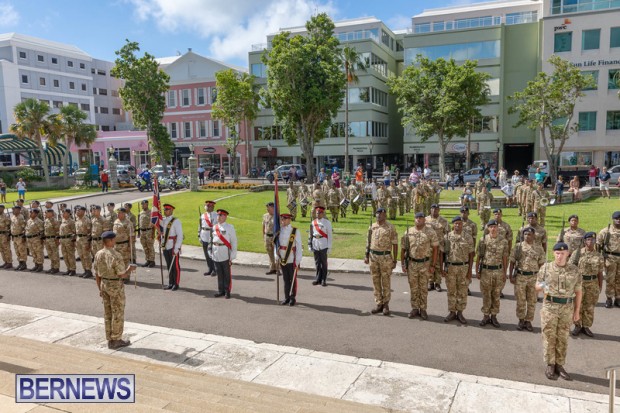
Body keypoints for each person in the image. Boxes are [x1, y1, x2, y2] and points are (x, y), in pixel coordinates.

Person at [536, 242, 582, 381]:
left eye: (563, 253)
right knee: (549, 337)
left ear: (568, 254)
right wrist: (546, 283)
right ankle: (550, 364)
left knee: (563, 338)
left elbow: (578, 292)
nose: (560, 256)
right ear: (553, 253)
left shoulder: (574, 270)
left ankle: (560, 365)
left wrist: (577, 312)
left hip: (566, 308)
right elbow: (537, 286)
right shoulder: (546, 268)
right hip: (550, 307)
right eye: (557, 253)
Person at [93, 231, 133, 350]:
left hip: (104, 284)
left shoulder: (98, 254)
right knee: (117, 313)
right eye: (114, 240)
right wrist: (130, 270)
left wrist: (99, 288)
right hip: (115, 286)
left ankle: (110, 338)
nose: (115, 242)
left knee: (108, 313)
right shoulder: (116, 255)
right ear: (110, 241)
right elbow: (122, 274)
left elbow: (97, 274)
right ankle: (116, 339)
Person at [402, 212, 439, 320]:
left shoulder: (430, 232)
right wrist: (403, 263)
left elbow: (436, 248)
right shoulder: (408, 232)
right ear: (414, 219)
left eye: (421, 218)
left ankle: (423, 309)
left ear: (424, 220)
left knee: (423, 288)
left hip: (425, 264)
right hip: (412, 264)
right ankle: (414, 308)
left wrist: (433, 265)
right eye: (417, 218)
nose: (419, 219)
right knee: (413, 288)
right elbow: (403, 249)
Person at [509, 227, 545, 332]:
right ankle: (521, 320)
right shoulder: (518, 247)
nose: (527, 236)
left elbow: (542, 264)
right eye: (525, 234)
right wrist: (511, 275)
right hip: (520, 276)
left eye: (529, 234)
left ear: (534, 236)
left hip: (534, 277)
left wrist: (542, 280)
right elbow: (512, 261)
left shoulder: (539, 248)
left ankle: (528, 321)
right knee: (520, 300)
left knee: (532, 300)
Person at [365, 208, 398, 316]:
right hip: (373, 257)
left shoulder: (390, 227)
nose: (378, 215)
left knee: (386, 281)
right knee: (375, 280)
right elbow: (368, 241)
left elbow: (395, 244)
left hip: (385, 257)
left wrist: (395, 260)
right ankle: (378, 303)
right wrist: (366, 255)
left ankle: (386, 304)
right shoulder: (372, 226)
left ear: (385, 215)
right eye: (377, 213)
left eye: (381, 214)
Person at [570, 232, 604, 337]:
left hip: (592, 283)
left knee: (589, 306)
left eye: (593, 240)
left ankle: (586, 326)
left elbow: (600, 273)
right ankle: (577, 325)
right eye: (588, 239)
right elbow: (570, 268)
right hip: (579, 282)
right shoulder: (577, 253)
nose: (590, 242)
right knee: (577, 305)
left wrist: (600, 286)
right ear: (585, 241)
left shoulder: (599, 256)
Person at [477, 220, 509, 327]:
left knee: (496, 294)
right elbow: (479, 256)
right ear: (488, 228)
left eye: (495, 227)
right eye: (491, 227)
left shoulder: (503, 241)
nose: (493, 229)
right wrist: (478, 270)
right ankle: (486, 316)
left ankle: (494, 316)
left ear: (498, 228)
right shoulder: (483, 240)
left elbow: (505, 258)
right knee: (486, 294)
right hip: (486, 271)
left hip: (498, 271)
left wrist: (505, 272)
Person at [443, 216, 474, 324]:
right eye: (456, 223)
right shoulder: (447, 237)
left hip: (463, 268)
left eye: (460, 223)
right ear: (453, 225)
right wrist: (443, 267)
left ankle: (460, 312)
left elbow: (471, 255)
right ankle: (452, 312)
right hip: (450, 267)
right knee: (451, 290)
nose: (458, 225)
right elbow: (442, 253)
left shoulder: (468, 237)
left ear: (462, 225)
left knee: (462, 291)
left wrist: (470, 270)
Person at [276, 213, 302, 306]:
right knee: (285, 279)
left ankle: (292, 298)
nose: (283, 221)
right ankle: (286, 297)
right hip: (282, 258)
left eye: (285, 219)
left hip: (291, 258)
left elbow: (298, 247)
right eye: (282, 219)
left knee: (292, 279)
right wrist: (277, 256)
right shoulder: (279, 230)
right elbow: (278, 245)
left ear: (289, 220)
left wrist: (298, 260)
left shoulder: (294, 231)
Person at [212, 209, 237, 298]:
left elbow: (233, 242)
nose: (218, 217)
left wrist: (232, 256)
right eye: (217, 215)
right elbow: (213, 241)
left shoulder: (230, 227)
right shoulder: (214, 227)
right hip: (216, 253)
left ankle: (227, 291)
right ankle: (220, 290)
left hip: (225, 252)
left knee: (226, 274)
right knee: (219, 273)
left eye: (220, 215)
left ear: (225, 217)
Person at [598, 211, 620, 308]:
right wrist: (600, 259)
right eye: (616, 219)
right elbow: (598, 246)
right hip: (610, 258)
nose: (618, 220)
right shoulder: (606, 231)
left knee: (619, 279)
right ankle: (609, 298)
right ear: (613, 219)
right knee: (610, 279)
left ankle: (618, 298)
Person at [161, 204, 184, 291]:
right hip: (165, 246)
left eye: (167, 209)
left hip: (173, 245)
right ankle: (171, 282)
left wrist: (177, 248)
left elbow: (180, 236)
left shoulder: (176, 221)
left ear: (171, 210)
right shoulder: (162, 220)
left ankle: (176, 283)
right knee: (168, 265)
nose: (165, 211)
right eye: (164, 209)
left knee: (175, 266)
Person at [426, 204, 449, 292]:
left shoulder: (444, 221)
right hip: (429, 246)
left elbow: (447, 234)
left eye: (436, 209)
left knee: (439, 265)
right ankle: (430, 282)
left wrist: (446, 248)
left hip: (440, 247)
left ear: (439, 210)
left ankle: (438, 283)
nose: (434, 211)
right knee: (429, 263)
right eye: (433, 209)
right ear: (430, 210)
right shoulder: (425, 220)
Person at [310, 206, 332, 286]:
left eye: (319, 213)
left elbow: (329, 235)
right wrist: (310, 244)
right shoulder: (313, 222)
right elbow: (311, 234)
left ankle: (323, 279)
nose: (318, 214)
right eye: (317, 213)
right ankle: (318, 278)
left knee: (324, 263)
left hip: (323, 243)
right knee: (317, 263)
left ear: (323, 213)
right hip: (315, 243)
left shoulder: (327, 223)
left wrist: (329, 247)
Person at [199, 200, 217, 275]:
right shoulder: (203, 215)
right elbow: (199, 226)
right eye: (206, 206)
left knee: (212, 253)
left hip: (212, 235)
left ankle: (215, 269)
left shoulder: (216, 215)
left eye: (209, 206)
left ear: (212, 207)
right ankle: (210, 268)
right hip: (204, 235)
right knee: (206, 253)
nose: (207, 207)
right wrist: (199, 235)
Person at [75, 206, 93, 278]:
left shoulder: (87, 220)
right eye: (76, 210)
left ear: (83, 211)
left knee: (86, 256)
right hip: (79, 239)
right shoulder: (77, 219)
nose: (77, 212)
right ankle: (85, 270)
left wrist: (88, 243)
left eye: (78, 210)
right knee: (81, 256)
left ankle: (89, 271)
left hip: (85, 239)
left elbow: (89, 232)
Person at [59, 208, 77, 276]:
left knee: (70, 255)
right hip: (63, 240)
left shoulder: (71, 222)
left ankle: (73, 269)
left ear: (69, 213)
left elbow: (74, 232)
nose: (63, 214)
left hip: (69, 240)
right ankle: (68, 268)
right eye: (62, 213)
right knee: (65, 255)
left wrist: (73, 241)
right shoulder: (63, 221)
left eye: (64, 213)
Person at [138, 200, 156, 268]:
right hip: (142, 232)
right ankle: (147, 260)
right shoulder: (141, 213)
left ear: (147, 204)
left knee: (150, 247)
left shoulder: (151, 213)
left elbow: (153, 224)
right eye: (142, 204)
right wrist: (139, 233)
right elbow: (140, 223)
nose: (143, 205)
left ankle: (152, 261)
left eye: (144, 204)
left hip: (149, 232)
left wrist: (153, 233)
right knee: (145, 247)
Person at [262, 202, 277, 276]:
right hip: (267, 237)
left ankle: (277, 269)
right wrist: (263, 236)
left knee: (276, 253)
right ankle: (272, 269)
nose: (267, 209)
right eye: (267, 208)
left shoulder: (277, 217)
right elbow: (263, 226)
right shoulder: (265, 216)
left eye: (269, 208)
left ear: (273, 208)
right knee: (270, 253)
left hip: (274, 237)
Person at [0, 205, 12, 269]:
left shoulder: (6, 216)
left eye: (0, 208)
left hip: (4, 235)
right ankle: (5, 262)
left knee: (6, 249)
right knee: (1, 249)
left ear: (3, 209)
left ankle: (9, 262)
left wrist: (8, 235)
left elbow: (9, 227)